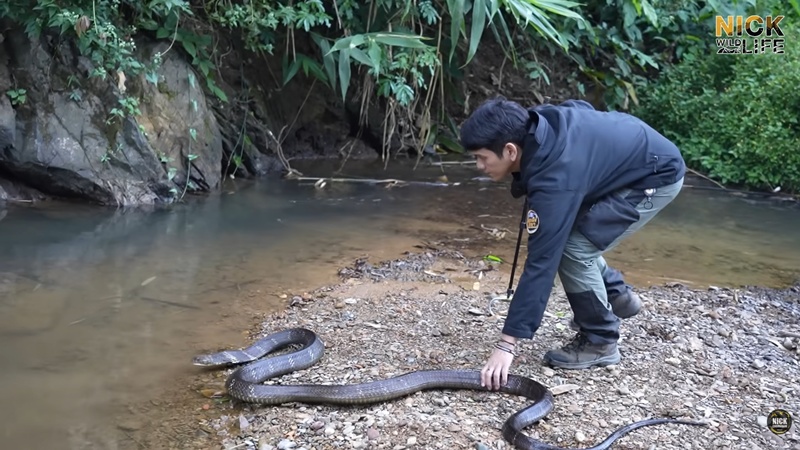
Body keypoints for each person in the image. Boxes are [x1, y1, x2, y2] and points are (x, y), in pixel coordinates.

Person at [458, 97, 686, 391]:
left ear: (510, 151)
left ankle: (600, 340)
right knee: (570, 237)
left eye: (481, 157)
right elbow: (581, 107)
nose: (478, 166)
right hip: (623, 161)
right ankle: (617, 295)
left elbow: (541, 262)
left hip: (656, 174)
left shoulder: (556, 178)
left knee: (573, 249)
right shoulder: (536, 124)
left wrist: (507, 344)